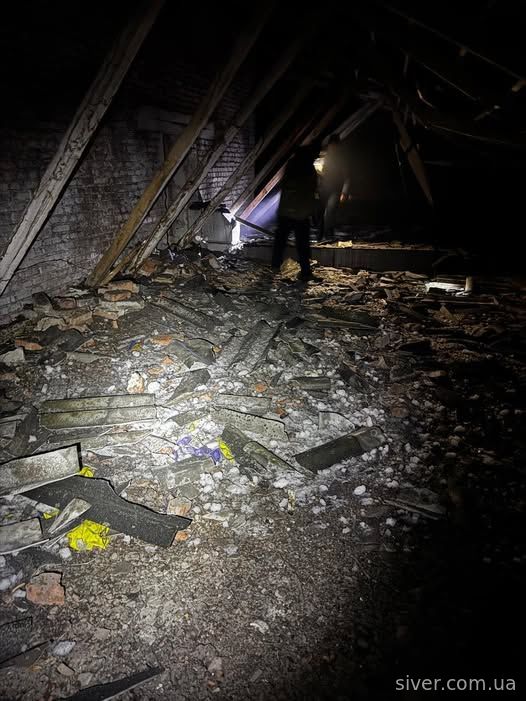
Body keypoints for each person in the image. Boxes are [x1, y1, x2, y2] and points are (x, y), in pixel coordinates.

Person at [271, 144, 320, 282]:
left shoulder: (291, 165)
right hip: (300, 213)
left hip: (286, 211)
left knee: (280, 242)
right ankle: (305, 272)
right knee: (302, 245)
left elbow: (284, 186)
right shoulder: (308, 168)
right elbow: (311, 189)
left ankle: (275, 267)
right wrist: (312, 210)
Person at [318, 134, 350, 241]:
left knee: (330, 212)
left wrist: (344, 192)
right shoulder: (324, 156)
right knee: (321, 213)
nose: (332, 147)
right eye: (331, 145)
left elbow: (347, 176)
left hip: (335, 190)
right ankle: (320, 236)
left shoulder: (342, 159)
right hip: (323, 189)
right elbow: (319, 173)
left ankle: (329, 236)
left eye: (335, 145)